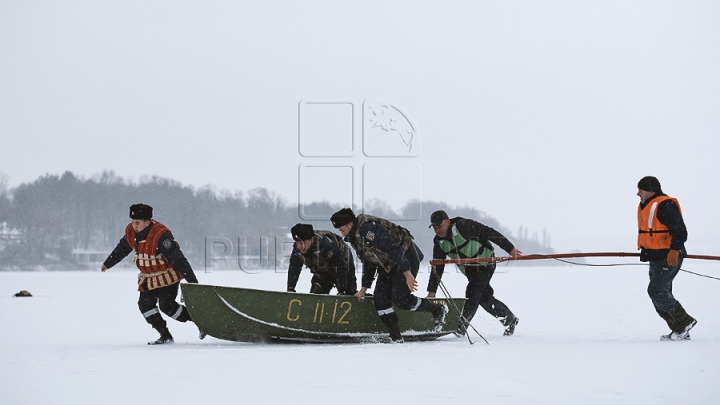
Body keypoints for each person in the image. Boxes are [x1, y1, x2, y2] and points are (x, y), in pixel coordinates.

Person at [330, 207, 447, 343]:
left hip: (405, 257)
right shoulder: (355, 238)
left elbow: (394, 249)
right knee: (380, 299)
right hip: (388, 264)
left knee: (401, 299)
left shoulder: (367, 230)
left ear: (350, 224)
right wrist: (364, 288)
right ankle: (396, 337)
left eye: (342, 229)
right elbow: (369, 262)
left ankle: (437, 309)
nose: (342, 233)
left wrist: (407, 274)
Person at [101, 203, 206, 345]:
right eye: (132, 222)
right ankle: (165, 335)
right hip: (148, 277)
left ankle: (200, 321)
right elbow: (122, 249)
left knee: (166, 306)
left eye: (137, 223)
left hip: (167, 276)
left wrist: (193, 283)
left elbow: (179, 260)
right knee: (145, 305)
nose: (134, 226)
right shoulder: (131, 233)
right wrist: (108, 263)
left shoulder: (161, 236)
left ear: (147, 222)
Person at [427, 210, 522, 337]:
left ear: (448, 222)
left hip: (485, 262)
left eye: (440, 226)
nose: (438, 230)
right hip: (469, 270)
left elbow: (489, 232)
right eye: (435, 227)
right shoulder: (439, 242)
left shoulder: (464, 226)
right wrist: (432, 291)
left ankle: (461, 327)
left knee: (472, 292)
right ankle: (509, 319)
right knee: (484, 298)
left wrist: (510, 248)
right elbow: (437, 266)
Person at [636, 176, 697, 341]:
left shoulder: (664, 205)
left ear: (650, 190)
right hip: (656, 257)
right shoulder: (648, 205)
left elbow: (680, 230)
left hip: (668, 256)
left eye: (640, 190)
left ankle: (684, 323)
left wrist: (674, 250)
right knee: (662, 292)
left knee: (656, 291)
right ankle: (680, 330)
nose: (638, 193)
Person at [287, 223, 358, 295]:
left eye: (304, 243)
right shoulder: (297, 250)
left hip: (344, 267)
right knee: (316, 298)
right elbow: (294, 269)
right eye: (298, 243)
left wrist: (342, 291)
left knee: (349, 295)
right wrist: (291, 288)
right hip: (321, 272)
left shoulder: (326, 243)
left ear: (312, 240)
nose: (301, 247)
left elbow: (340, 267)